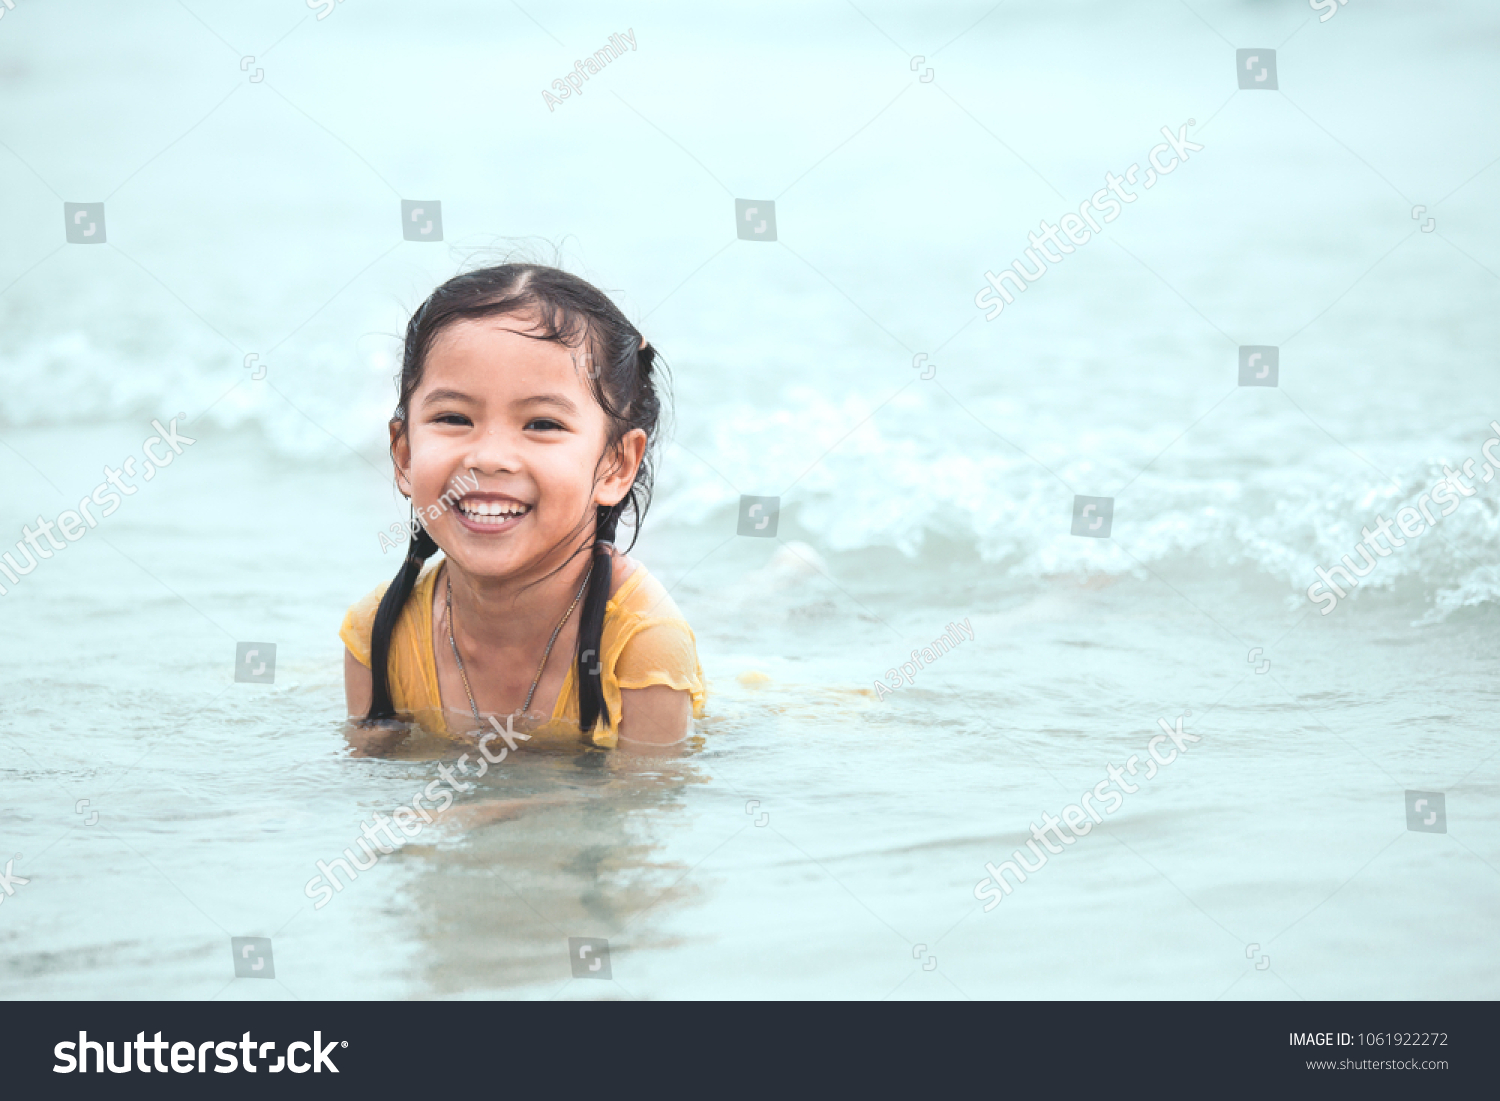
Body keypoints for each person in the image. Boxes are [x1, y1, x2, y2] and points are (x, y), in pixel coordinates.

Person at [340, 263, 705, 753]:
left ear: (616, 466)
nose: (488, 457)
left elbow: (643, 800)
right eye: (454, 417)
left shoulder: (644, 644)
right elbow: (368, 786)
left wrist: (487, 809)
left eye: (542, 424)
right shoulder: (378, 635)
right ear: (404, 455)